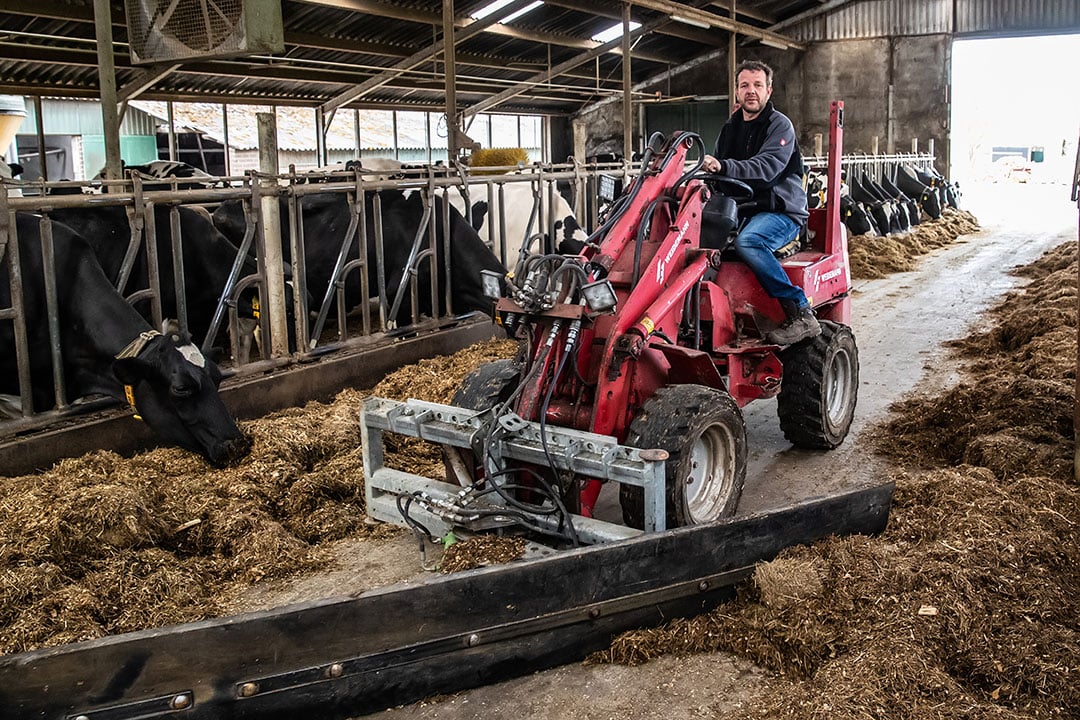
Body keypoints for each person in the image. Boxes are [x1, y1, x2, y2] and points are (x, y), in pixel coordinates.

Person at [702, 60, 820, 346]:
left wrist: (723, 167)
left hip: (780, 211)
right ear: (737, 92)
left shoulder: (779, 126)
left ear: (768, 91)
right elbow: (716, 176)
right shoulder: (730, 129)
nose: (750, 91)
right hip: (741, 211)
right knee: (695, 243)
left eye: (757, 85)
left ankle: (799, 311)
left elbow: (766, 169)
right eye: (745, 86)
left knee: (749, 242)